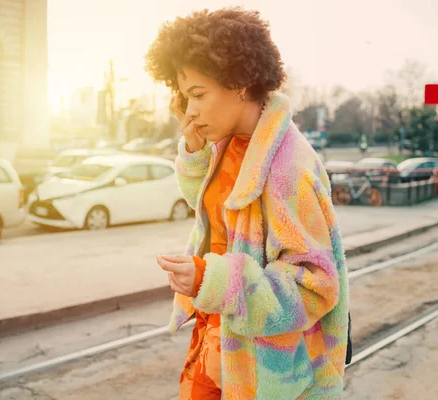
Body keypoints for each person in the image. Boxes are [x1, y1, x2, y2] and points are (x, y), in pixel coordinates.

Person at [147, 8, 349, 400]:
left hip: (263, 372)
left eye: (197, 95)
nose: (188, 111)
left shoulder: (289, 168)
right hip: (220, 342)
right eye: (184, 97)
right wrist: (194, 149)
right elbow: (219, 214)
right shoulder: (233, 141)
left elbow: (317, 287)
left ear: (239, 82)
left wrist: (213, 279)